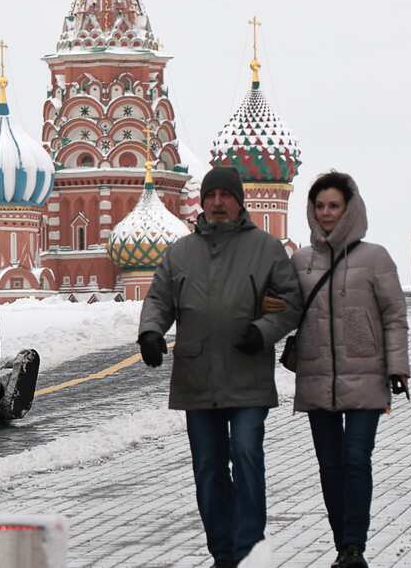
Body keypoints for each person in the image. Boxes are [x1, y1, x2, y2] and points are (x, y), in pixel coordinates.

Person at [137, 166, 303, 568]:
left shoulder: (266, 249)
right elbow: (159, 298)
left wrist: (263, 331)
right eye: (211, 196)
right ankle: (223, 551)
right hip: (197, 379)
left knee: (246, 455)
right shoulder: (181, 252)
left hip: (246, 375)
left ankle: (247, 547)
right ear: (203, 201)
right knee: (209, 469)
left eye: (225, 195)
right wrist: (150, 332)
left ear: (239, 200)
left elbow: (291, 303)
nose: (217, 203)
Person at [291, 171, 410, 568]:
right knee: (330, 465)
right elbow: (282, 310)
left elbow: (394, 315)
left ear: (350, 208)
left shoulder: (374, 257)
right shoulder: (301, 262)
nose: (326, 213)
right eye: (320, 206)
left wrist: (397, 367)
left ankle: (354, 546)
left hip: (366, 376)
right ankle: (343, 544)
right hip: (316, 376)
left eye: (334, 206)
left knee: (356, 459)